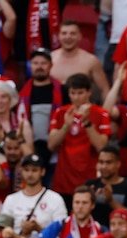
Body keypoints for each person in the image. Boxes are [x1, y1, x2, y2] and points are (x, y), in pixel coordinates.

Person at [47, 73, 113, 207]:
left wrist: (86, 122)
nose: (76, 97)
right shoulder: (61, 113)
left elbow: (101, 146)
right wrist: (66, 126)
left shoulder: (101, 113)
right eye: (73, 93)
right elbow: (51, 145)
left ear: (89, 92)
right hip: (63, 179)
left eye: (80, 93)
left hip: (89, 177)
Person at [17, 47, 64, 171]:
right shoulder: (22, 94)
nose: (39, 67)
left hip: (57, 152)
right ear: (30, 66)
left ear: (50, 65)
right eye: (35, 63)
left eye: (43, 63)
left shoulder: (63, 91)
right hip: (30, 149)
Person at [50, 21, 111, 100]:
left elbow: (104, 90)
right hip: (54, 108)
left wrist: (106, 111)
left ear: (79, 36)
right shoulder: (50, 59)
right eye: (64, 33)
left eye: (73, 33)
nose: (68, 37)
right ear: (59, 36)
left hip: (83, 110)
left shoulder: (91, 61)